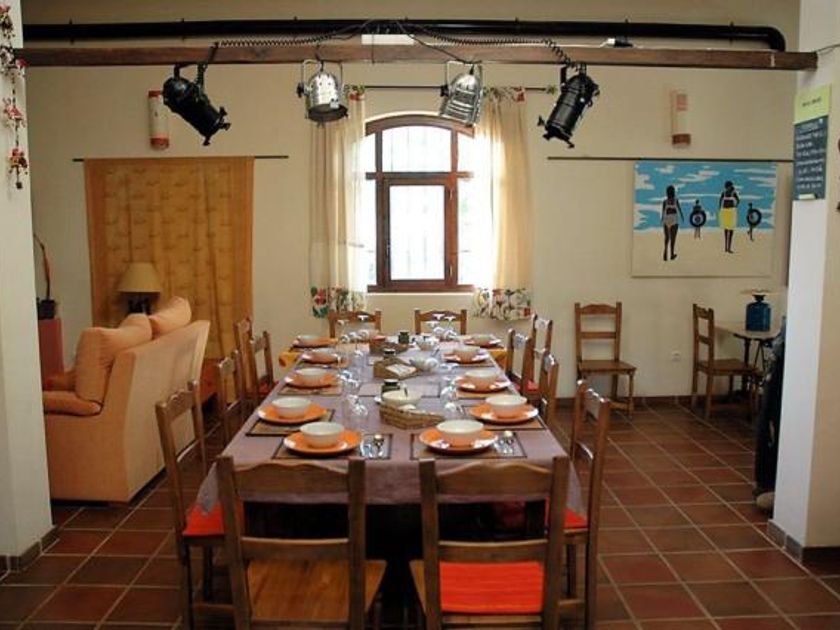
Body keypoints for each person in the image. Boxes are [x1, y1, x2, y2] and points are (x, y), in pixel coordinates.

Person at [660, 185, 684, 261]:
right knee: (673, 238)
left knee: (667, 238)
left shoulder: (665, 202)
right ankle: (672, 254)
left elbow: (663, 212)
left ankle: (665, 252)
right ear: (673, 192)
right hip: (674, 220)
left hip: (666, 220)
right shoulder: (676, 200)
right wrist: (682, 217)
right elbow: (679, 210)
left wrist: (662, 219)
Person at [718, 180, 740, 253]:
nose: (727, 188)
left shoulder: (733, 193)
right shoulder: (724, 193)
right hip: (726, 212)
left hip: (730, 212)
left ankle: (728, 248)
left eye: (728, 187)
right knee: (726, 230)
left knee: (730, 231)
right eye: (727, 187)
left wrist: (735, 205)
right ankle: (726, 248)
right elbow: (720, 201)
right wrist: (720, 208)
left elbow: (738, 200)